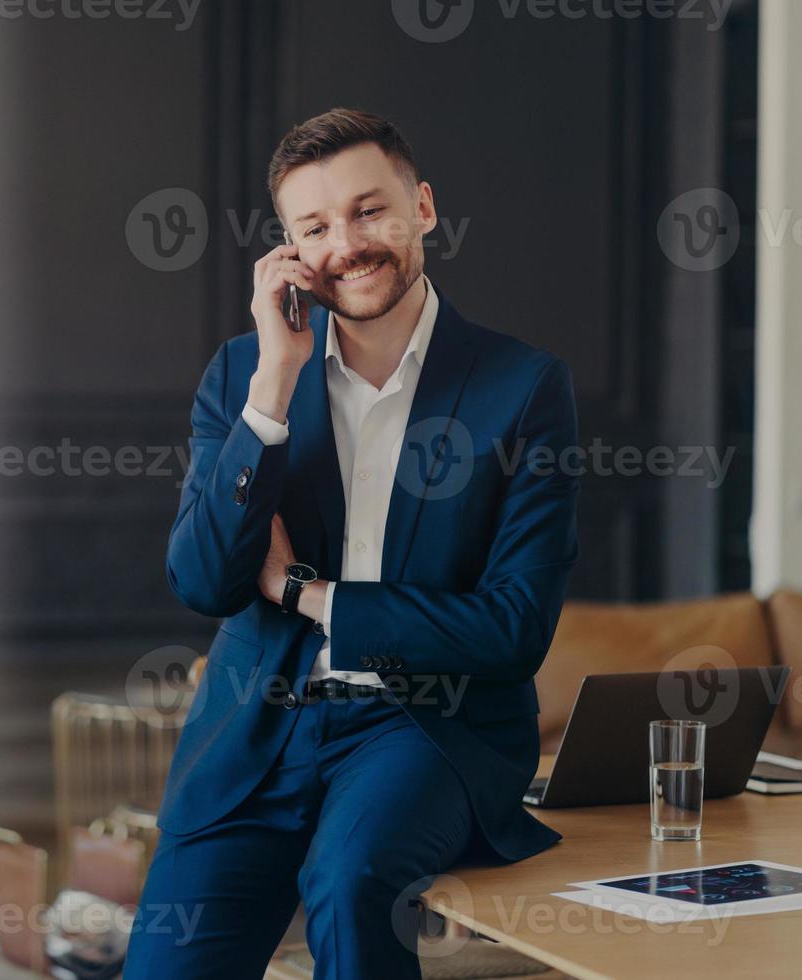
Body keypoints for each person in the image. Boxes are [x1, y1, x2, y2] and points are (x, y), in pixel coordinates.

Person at [124, 107, 580, 980]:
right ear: (289, 250)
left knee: (351, 882)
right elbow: (204, 581)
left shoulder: (522, 387)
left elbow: (514, 628)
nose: (348, 244)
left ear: (424, 208)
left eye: (370, 211)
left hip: (421, 728)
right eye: (316, 227)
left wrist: (308, 593)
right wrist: (272, 383)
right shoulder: (242, 374)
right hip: (256, 728)